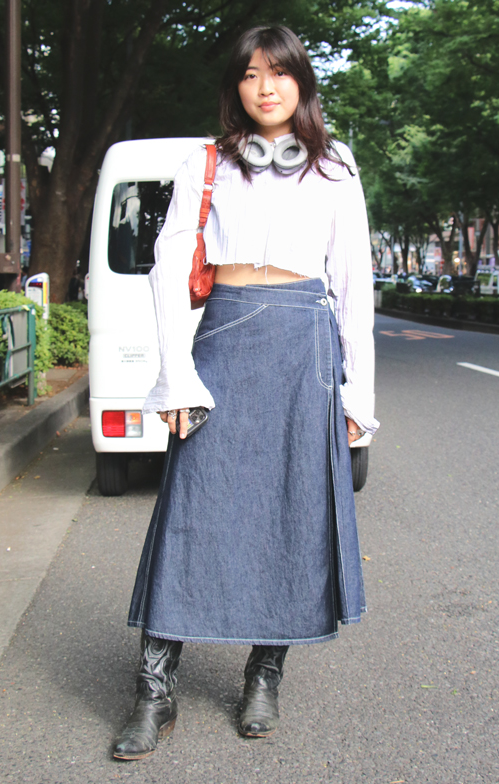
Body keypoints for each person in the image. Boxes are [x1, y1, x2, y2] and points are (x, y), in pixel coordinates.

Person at [113, 24, 379, 761]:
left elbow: (354, 283)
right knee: (190, 511)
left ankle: (264, 676)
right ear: (236, 87)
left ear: (301, 83)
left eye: (280, 73)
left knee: (291, 511)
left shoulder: (335, 167)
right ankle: (154, 690)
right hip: (224, 338)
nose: (267, 87)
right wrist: (176, 373)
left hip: (305, 348)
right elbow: (169, 267)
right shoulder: (207, 163)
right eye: (252, 74)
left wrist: (358, 395)